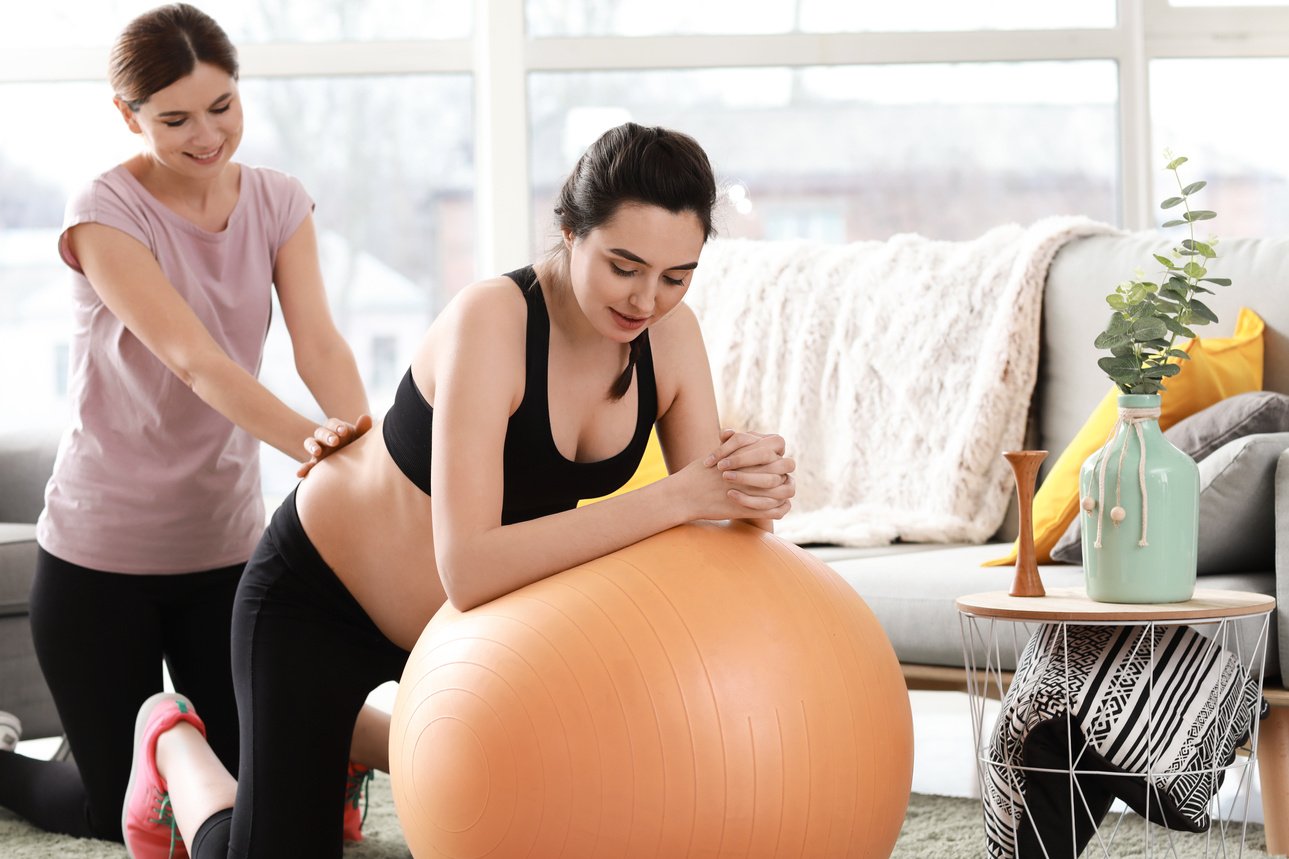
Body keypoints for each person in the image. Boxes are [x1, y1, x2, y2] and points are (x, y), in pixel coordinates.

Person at [117, 120, 797, 859]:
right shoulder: (492, 320)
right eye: (623, 265)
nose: (645, 300)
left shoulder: (672, 336)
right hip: (316, 606)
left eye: (676, 275)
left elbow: (708, 524)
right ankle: (175, 750)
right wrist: (681, 495)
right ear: (570, 231)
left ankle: (347, 737)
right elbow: (468, 569)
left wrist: (754, 491)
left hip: (473, 640)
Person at [0, 2, 376, 845]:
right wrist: (308, 444)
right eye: (174, 119)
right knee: (112, 812)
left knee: (249, 798)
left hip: (226, 554)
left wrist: (362, 445)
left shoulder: (278, 201)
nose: (207, 135)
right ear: (128, 117)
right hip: (101, 559)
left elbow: (318, 340)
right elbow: (195, 359)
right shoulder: (103, 210)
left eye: (222, 107)